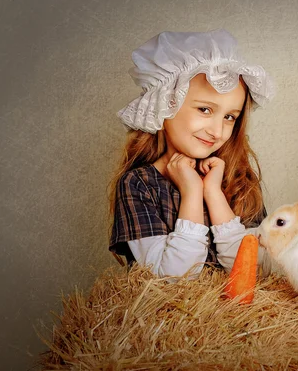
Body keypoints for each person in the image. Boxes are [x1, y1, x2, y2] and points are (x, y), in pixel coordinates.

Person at [109, 29, 274, 278]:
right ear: (165, 105)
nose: (217, 131)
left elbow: (255, 273)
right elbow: (172, 279)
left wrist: (213, 194)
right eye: (205, 110)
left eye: (230, 117)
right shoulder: (139, 184)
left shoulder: (240, 179)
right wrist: (192, 193)